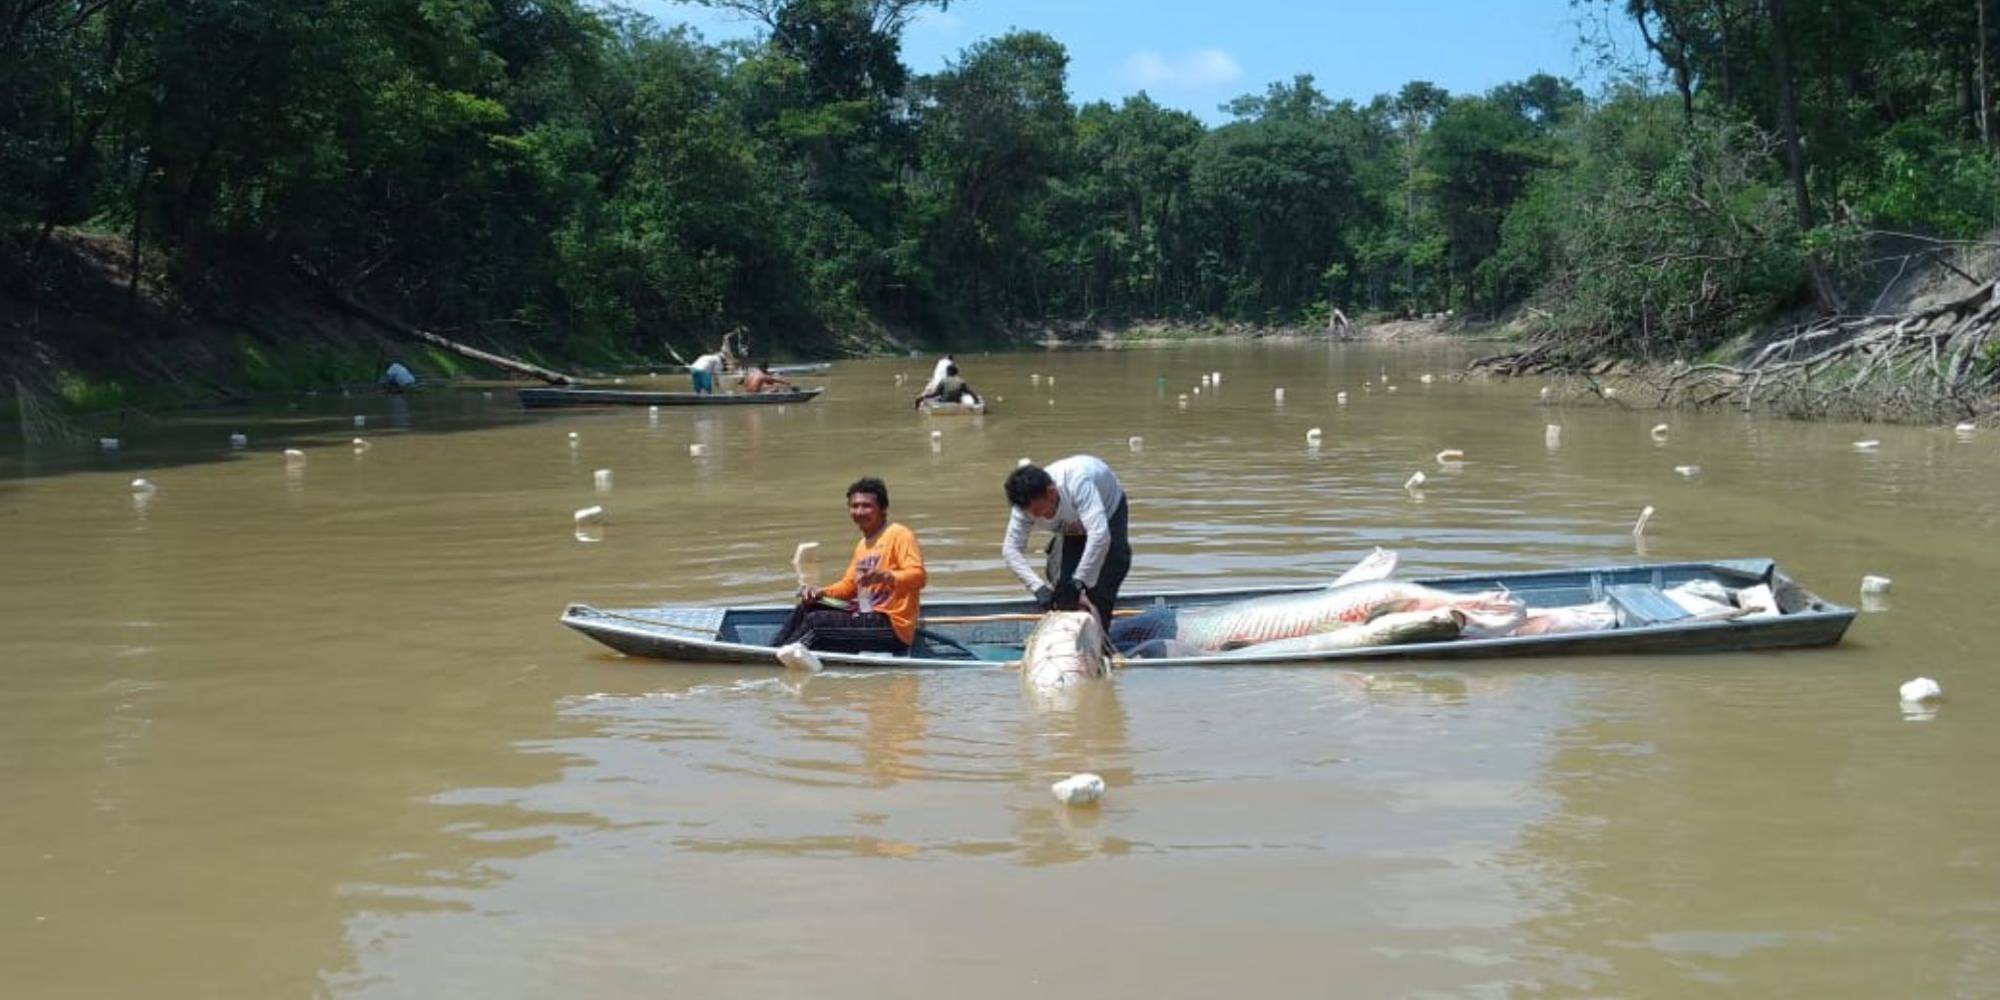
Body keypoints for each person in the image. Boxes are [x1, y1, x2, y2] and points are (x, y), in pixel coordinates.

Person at [773, 478, 927, 655]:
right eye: (854, 506)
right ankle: (772, 651)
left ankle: (776, 659)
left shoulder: (899, 534)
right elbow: (849, 587)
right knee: (808, 607)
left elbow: (919, 577)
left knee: (817, 622)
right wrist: (820, 592)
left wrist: (886, 576)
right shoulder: (863, 545)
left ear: (883, 509)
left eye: (866, 506)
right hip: (866, 616)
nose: (859, 512)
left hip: (891, 625)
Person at [1002, 456, 1131, 628]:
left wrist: (1080, 581)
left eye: (1039, 511)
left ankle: (1101, 641)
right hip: (1069, 527)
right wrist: (1038, 587)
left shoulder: (1077, 483)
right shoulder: (1023, 509)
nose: (1036, 518)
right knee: (1064, 594)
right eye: (1030, 514)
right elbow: (1010, 550)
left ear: (1051, 492)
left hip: (1107, 512)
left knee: (1101, 585)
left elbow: (1099, 535)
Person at [913, 363, 981, 409]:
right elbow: (970, 392)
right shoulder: (961, 381)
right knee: (965, 397)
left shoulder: (943, 381)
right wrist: (977, 401)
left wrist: (923, 397)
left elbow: (935, 394)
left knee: (937, 398)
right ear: (957, 372)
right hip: (957, 402)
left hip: (944, 402)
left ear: (947, 372)